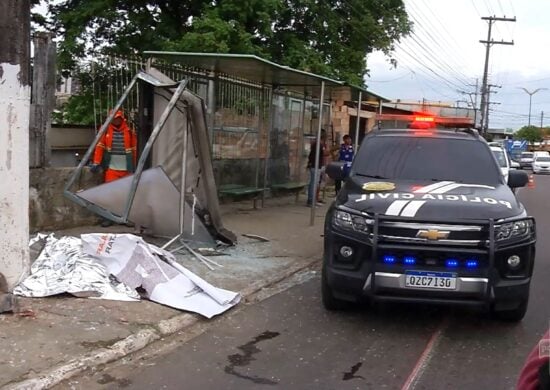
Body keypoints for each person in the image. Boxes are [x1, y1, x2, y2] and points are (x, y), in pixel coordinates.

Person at [90, 110, 137, 226]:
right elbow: (100, 146)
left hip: (127, 167)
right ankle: (108, 217)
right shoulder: (105, 129)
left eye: (118, 118)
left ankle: (127, 217)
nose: (116, 120)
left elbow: (135, 148)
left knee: (127, 194)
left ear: (122, 118)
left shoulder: (129, 130)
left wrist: (135, 166)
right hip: (112, 167)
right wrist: (96, 162)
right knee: (109, 193)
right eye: (114, 118)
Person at [307, 129, 331, 207]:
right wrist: (328, 147)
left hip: (316, 165)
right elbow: (325, 153)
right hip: (315, 165)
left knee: (315, 183)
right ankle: (311, 200)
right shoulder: (318, 144)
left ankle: (313, 199)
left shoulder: (317, 143)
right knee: (314, 184)